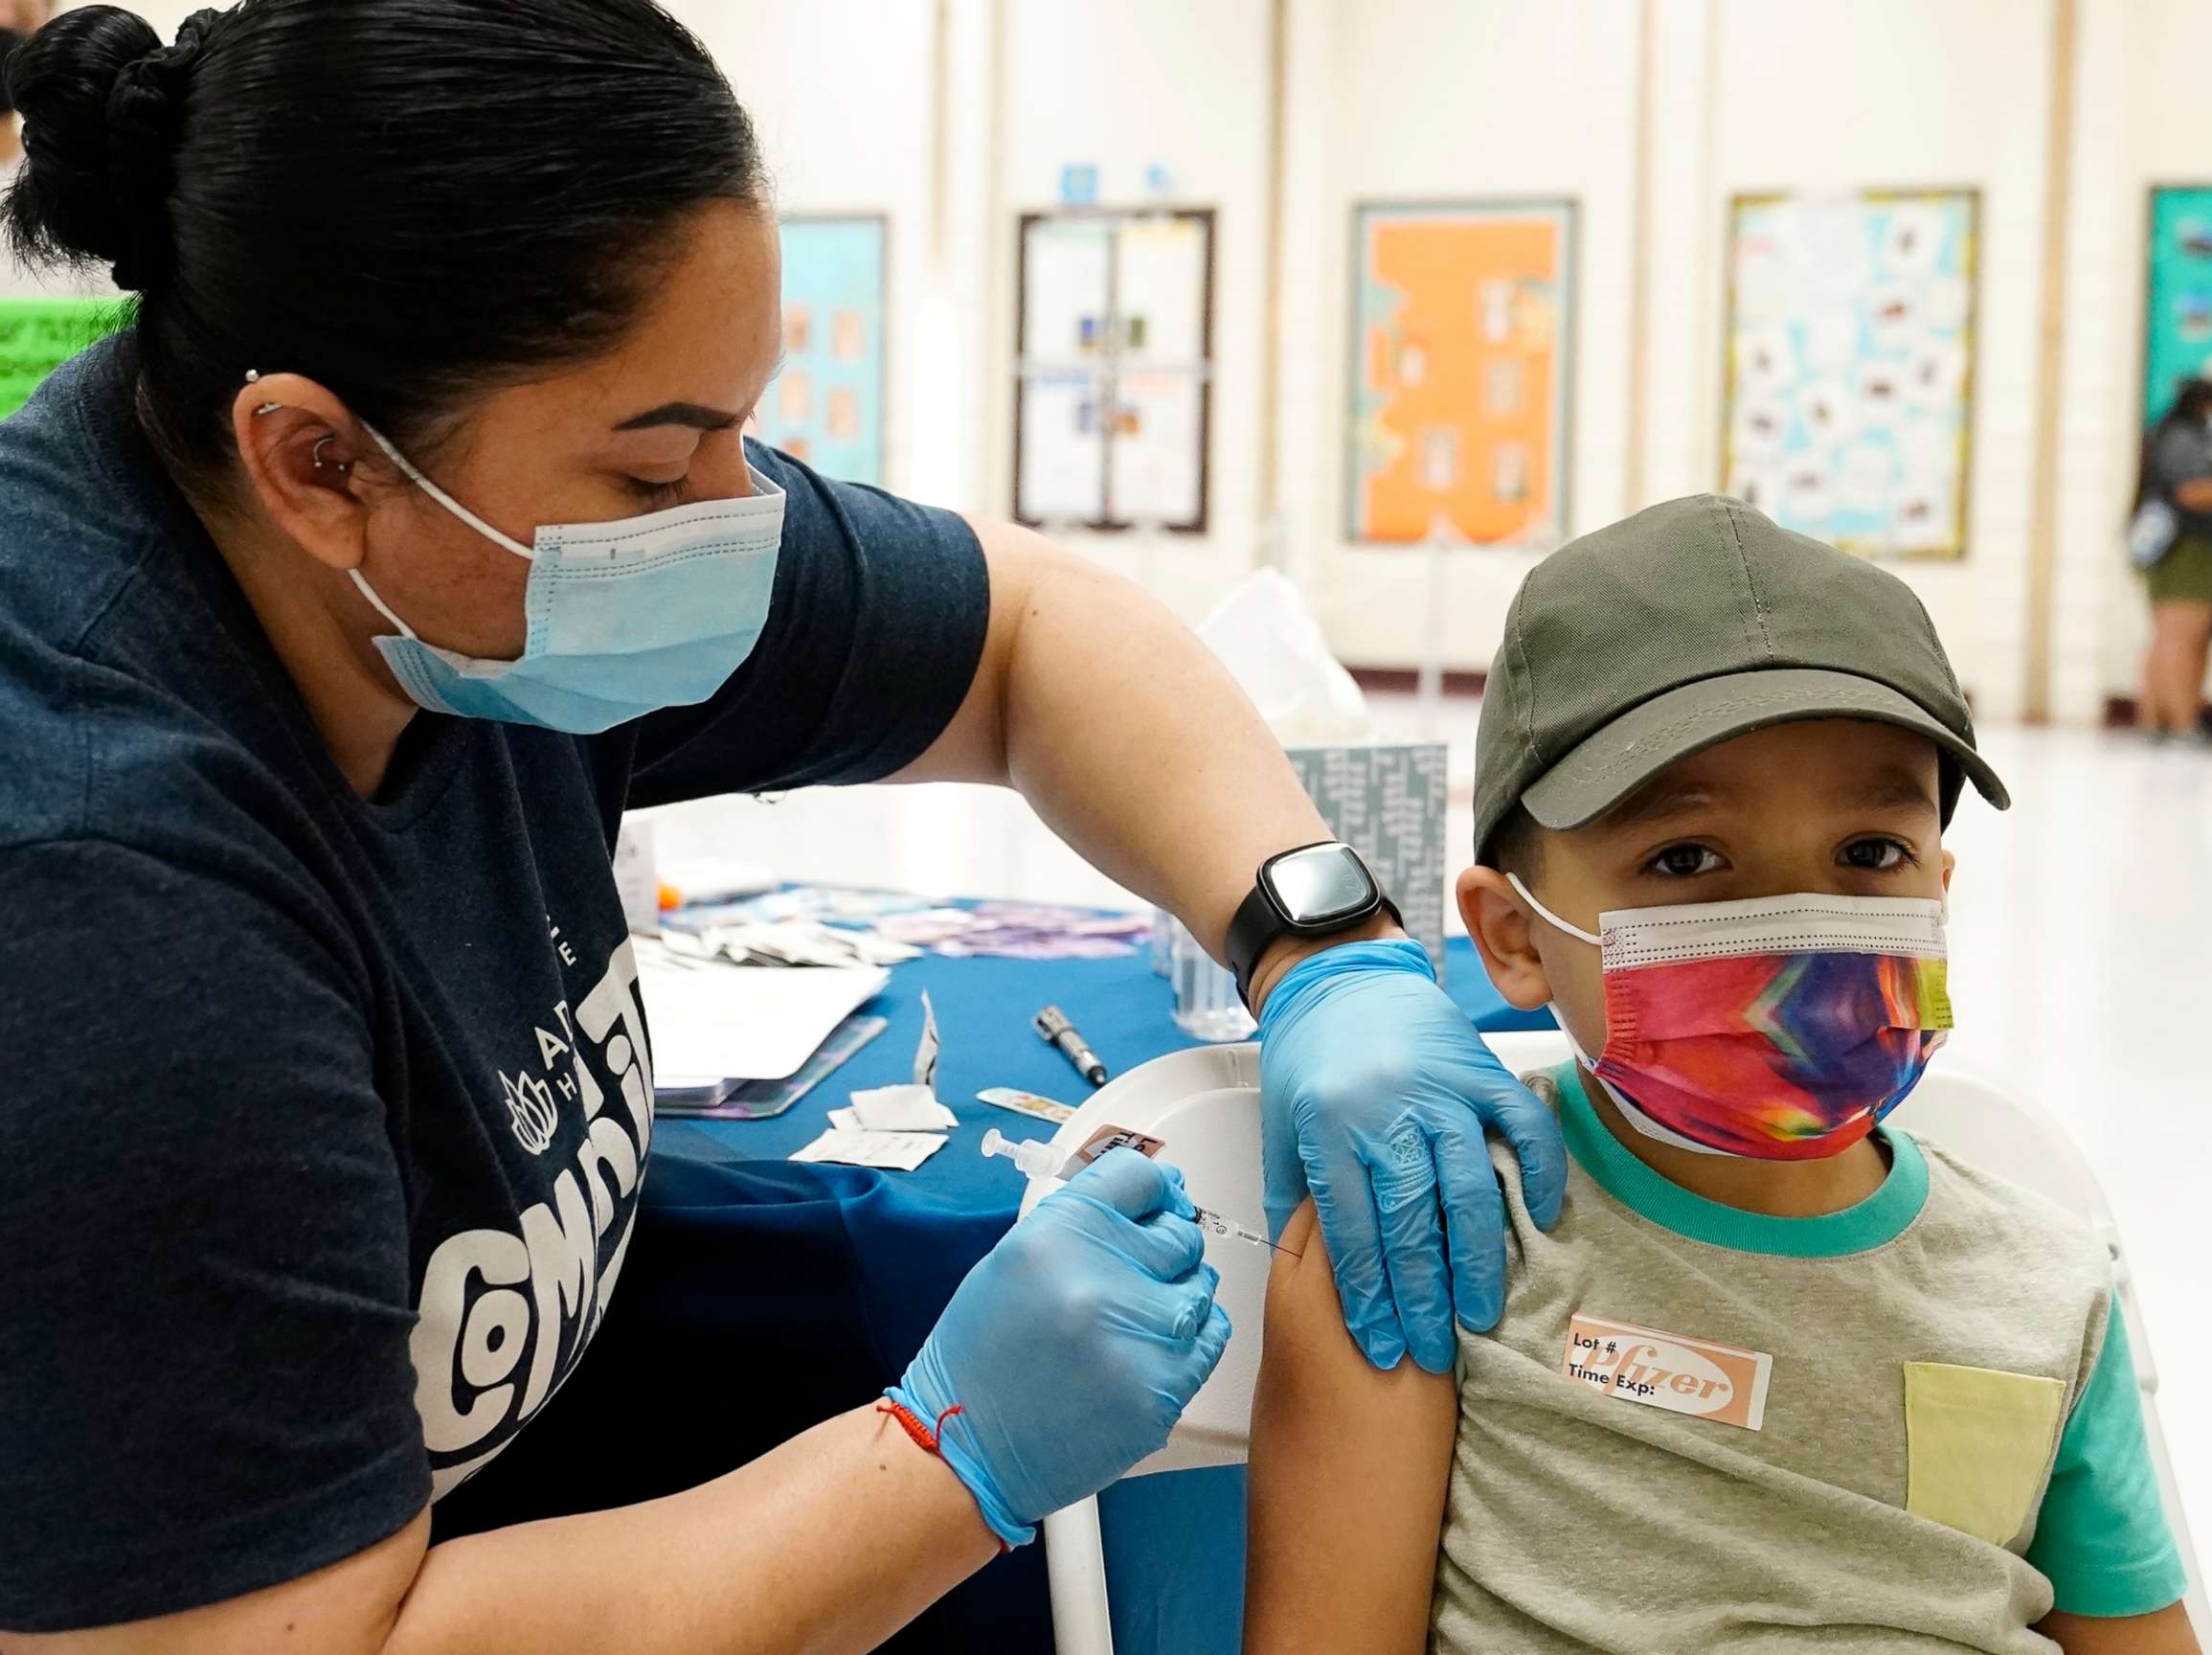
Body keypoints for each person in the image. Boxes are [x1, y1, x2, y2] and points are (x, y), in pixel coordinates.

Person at [0, 3, 1563, 1647]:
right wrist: (940, 1458)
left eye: (740, 424)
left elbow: (1031, 636)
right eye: (662, 469)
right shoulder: (105, 899)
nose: (745, 522)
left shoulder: (450, 575)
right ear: (317, 461)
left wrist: (1320, 941)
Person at [1246, 497, 2199, 1655]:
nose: (1799, 929)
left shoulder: (2046, 1294)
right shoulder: (1430, 1242)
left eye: (1870, 854)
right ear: (1511, 938)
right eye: (1686, 858)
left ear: (1940, 886)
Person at [2131, 359, 2212, 745]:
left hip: (2190, 549)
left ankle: (2164, 719)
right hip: (2186, 549)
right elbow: (2191, 491)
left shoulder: (2173, 434)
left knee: (2175, 637)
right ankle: (2179, 722)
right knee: (2180, 636)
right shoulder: (2183, 438)